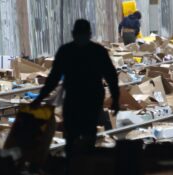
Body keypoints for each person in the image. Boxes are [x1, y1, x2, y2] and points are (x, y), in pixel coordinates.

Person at [30, 19, 119, 162]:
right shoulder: (98, 51)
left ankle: (73, 166)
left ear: (73, 34)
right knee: (89, 131)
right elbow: (111, 76)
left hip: (73, 99)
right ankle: (86, 165)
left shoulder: (66, 51)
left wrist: (39, 99)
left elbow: (53, 79)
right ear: (90, 34)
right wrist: (115, 99)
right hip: (92, 99)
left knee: (71, 133)